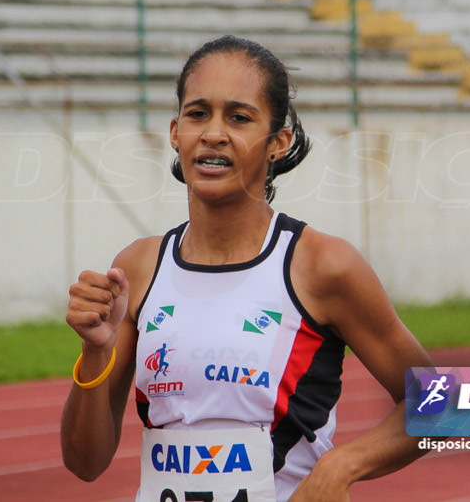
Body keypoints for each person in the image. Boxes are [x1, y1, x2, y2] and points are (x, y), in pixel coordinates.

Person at [61, 35, 435, 501]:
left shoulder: (321, 265)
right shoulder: (137, 267)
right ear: (176, 132)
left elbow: (440, 404)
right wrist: (95, 351)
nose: (213, 133)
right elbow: (84, 462)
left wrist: (341, 466)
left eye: (238, 117)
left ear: (278, 142)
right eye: (198, 114)